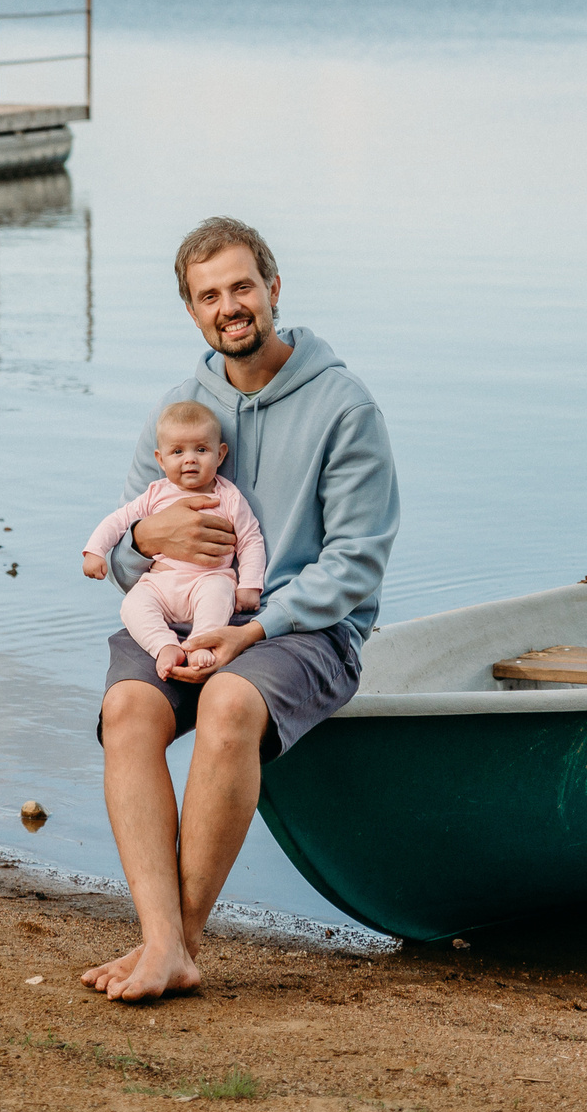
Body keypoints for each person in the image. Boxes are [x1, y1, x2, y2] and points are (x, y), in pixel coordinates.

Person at [83, 216, 399, 1003]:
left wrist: (251, 629)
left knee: (228, 699)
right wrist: (145, 539)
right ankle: (165, 941)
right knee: (127, 711)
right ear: (192, 309)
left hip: (301, 627)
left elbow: (356, 563)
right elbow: (125, 545)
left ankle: (174, 945)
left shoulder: (344, 405)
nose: (229, 306)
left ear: (273, 288)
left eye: (241, 286)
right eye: (209, 295)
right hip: (180, 612)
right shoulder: (180, 409)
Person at [81, 399, 268, 681]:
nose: (190, 459)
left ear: (220, 454)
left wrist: (249, 585)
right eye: (178, 451)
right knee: (133, 605)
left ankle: (201, 642)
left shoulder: (229, 497)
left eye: (201, 449)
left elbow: (250, 540)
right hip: (161, 582)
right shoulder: (155, 494)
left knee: (218, 595)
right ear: (160, 459)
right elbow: (118, 521)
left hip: (207, 579)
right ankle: (164, 646)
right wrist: (95, 550)